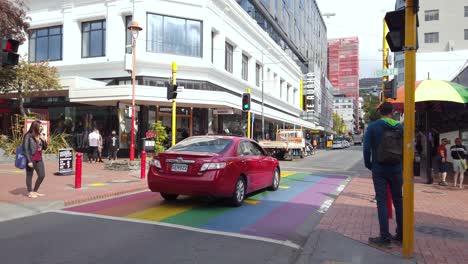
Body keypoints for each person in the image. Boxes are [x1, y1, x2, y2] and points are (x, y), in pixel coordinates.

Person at [363, 102, 403, 248]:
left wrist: (369, 164)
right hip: (397, 168)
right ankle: (401, 235)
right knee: (398, 200)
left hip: (379, 168)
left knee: (382, 201)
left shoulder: (373, 127)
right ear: (393, 112)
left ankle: (384, 237)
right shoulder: (400, 127)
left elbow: (366, 148)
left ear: (380, 112)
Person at [22, 120, 48, 198]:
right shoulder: (28, 135)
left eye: (41, 126)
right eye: (40, 126)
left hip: (39, 158)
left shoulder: (40, 135)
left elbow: (45, 148)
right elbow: (25, 149)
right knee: (29, 175)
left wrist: (44, 140)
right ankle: (30, 192)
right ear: (35, 126)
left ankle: (35, 191)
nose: (41, 127)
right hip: (31, 158)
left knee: (42, 175)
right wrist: (29, 161)